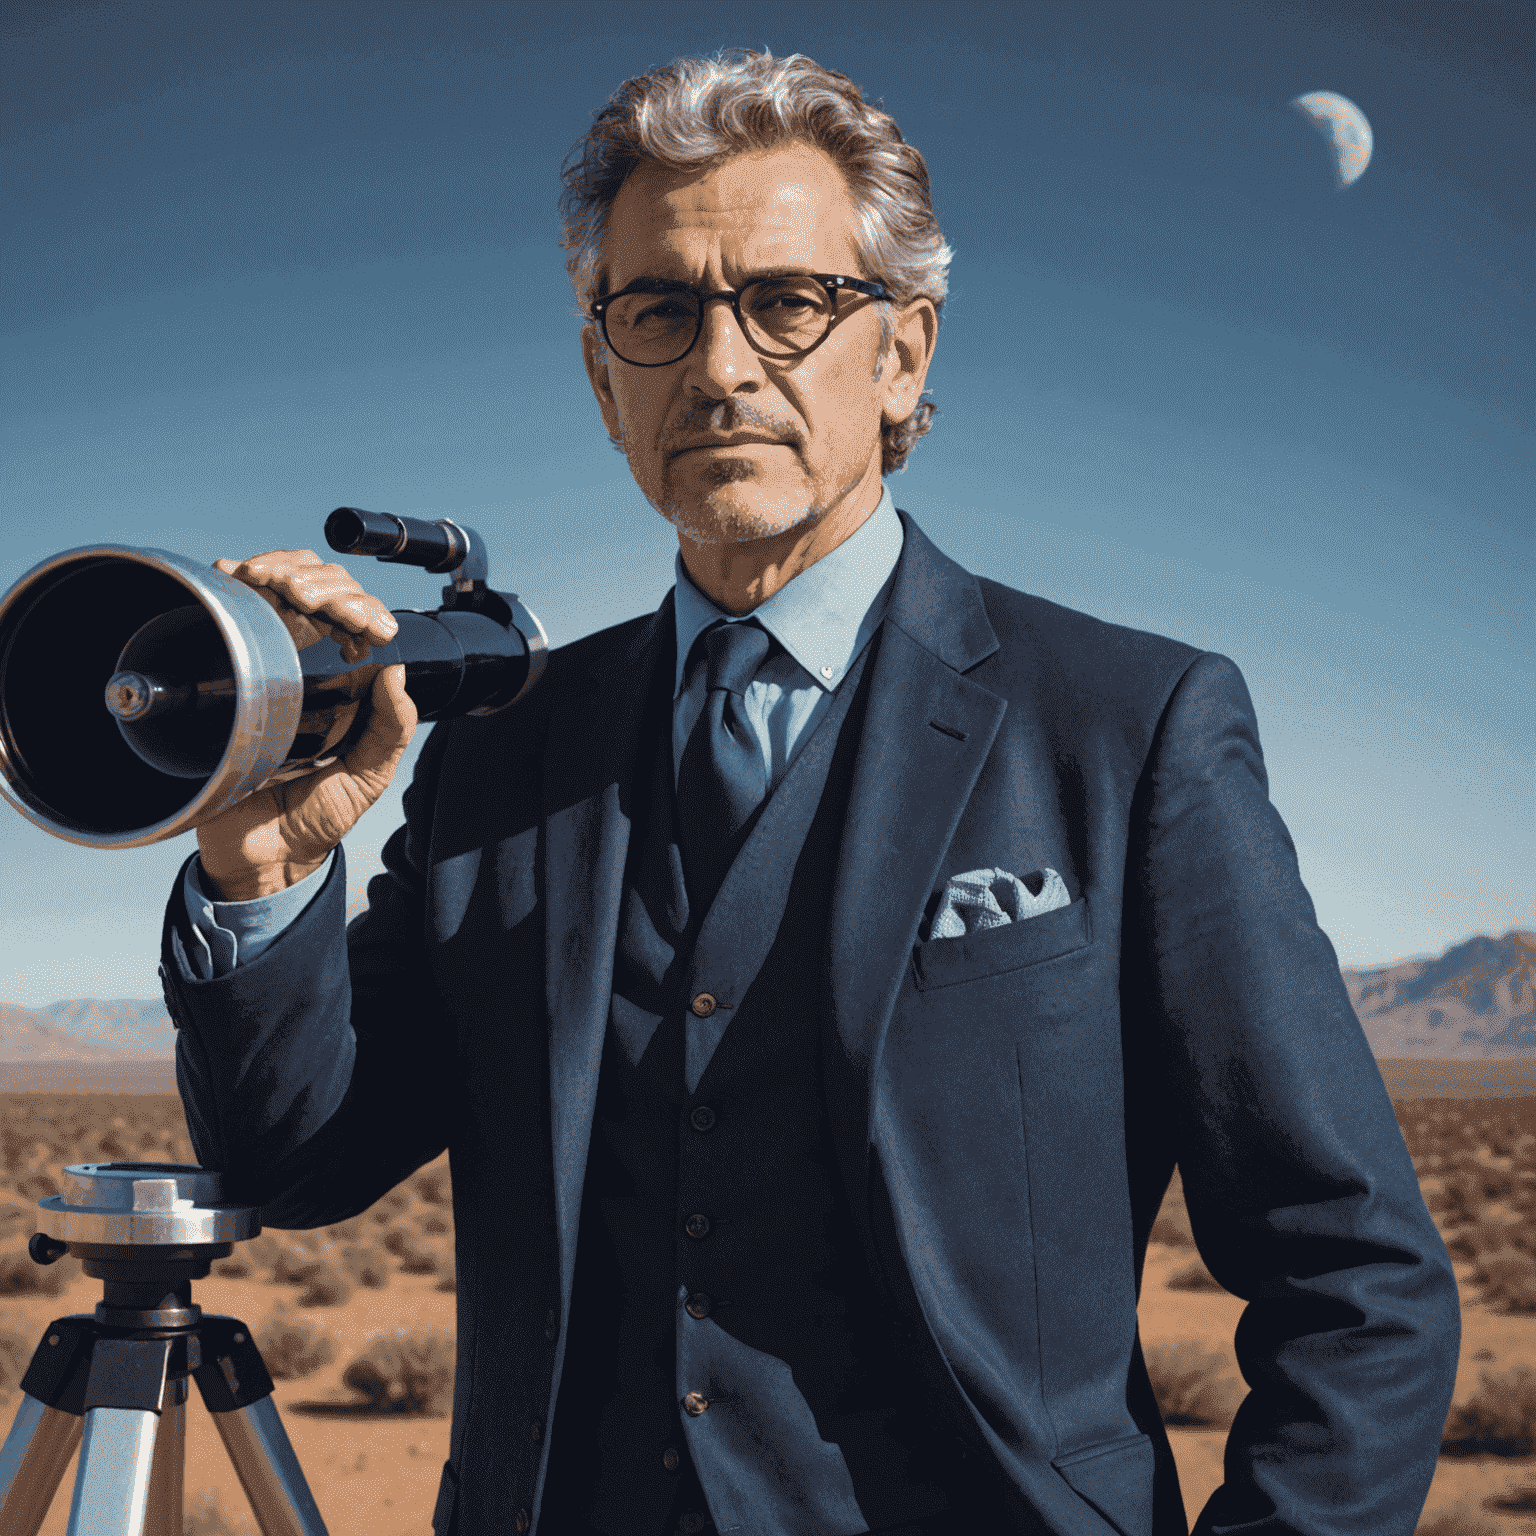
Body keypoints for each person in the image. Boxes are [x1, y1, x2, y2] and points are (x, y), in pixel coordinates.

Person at [160, 48, 1458, 1536]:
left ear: (902, 353)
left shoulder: (1129, 727)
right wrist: (260, 872)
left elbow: (1356, 1281)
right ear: (604, 377)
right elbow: (297, 1160)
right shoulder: (507, 743)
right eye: (659, 311)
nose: (720, 368)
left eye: (788, 303)